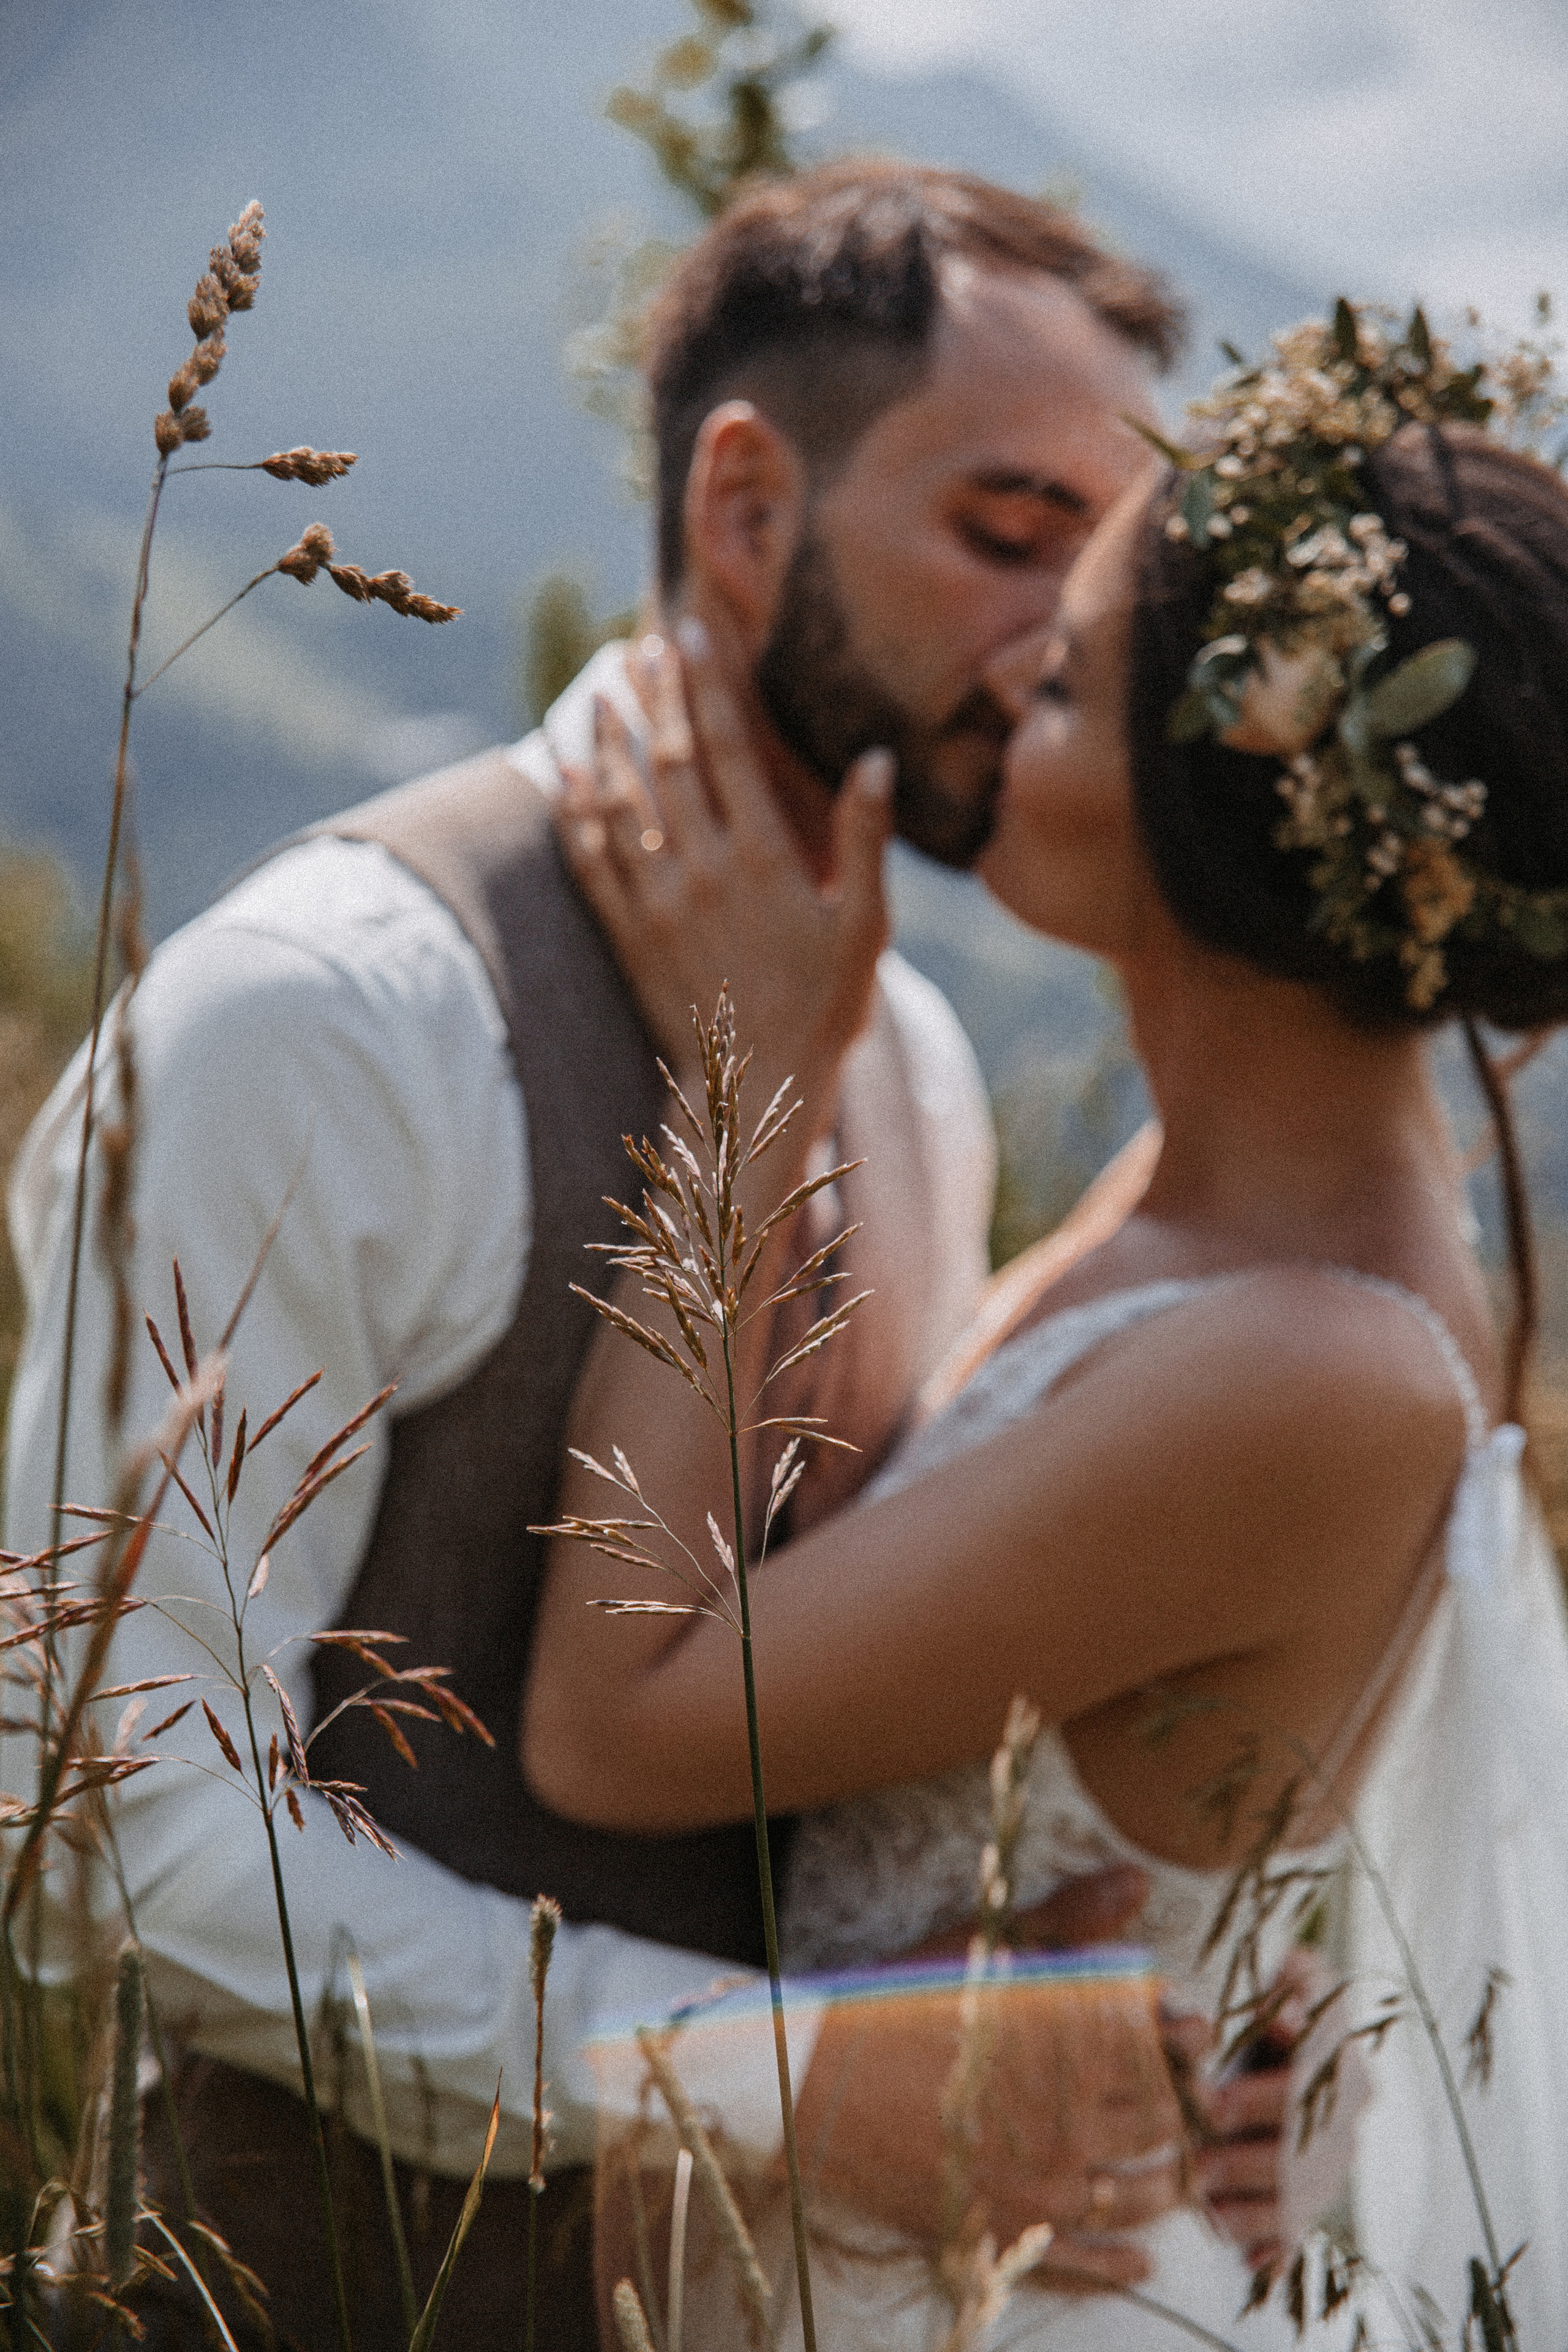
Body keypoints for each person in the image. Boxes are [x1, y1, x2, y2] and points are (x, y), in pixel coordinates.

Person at [2, 165, 1284, 2349]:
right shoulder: (340, 1011)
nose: (1072, 631)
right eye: (1005, 527)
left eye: (1106, 551)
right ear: (750, 506)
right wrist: (759, 2080)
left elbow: (836, 1739)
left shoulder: (923, 1048)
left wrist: (1132, 2017)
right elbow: (110, 1824)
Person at [525, 311, 1568, 2343]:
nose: (1009, 681)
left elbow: (616, 1724)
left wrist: (748, 1071)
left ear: (1226, 820)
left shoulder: (1312, 1359)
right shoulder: (1232, 1210)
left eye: (1073, 676)